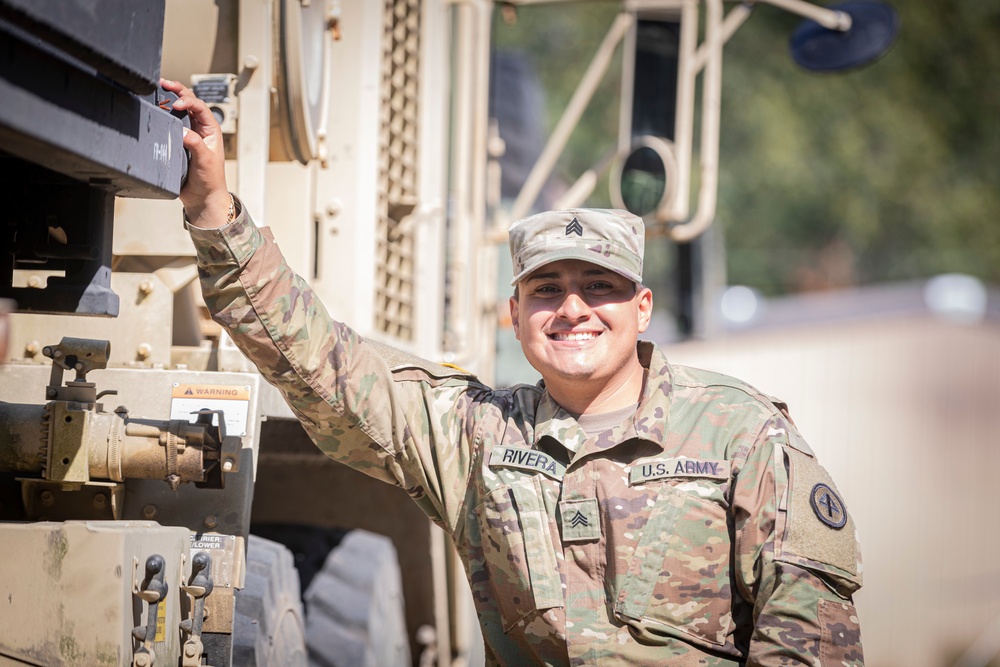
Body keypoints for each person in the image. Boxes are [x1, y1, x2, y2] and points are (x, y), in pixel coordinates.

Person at [166, 78, 864, 666]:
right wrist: (212, 210)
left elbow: (806, 632)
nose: (573, 309)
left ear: (642, 307)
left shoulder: (740, 432)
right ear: (516, 310)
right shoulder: (477, 437)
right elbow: (321, 361)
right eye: (548, 289)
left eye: (600, 286)